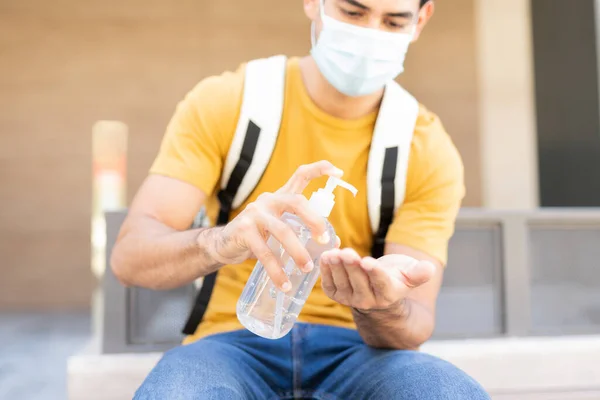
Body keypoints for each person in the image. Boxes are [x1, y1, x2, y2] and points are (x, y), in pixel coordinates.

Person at [112, 0, 490, 398]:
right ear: (314, 3)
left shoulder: (426, 149)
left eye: (394, 21)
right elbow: (130, 257)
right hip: (230, 343)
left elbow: (416, 324)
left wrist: (381, 305)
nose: (370, 35)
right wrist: (223, 242)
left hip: (360, 351)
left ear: (421, 20)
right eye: (353, 13)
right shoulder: (231, 103)